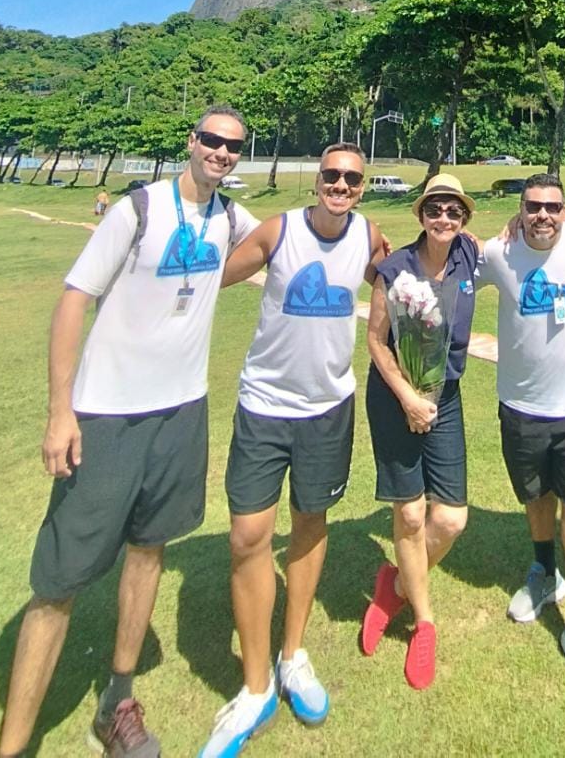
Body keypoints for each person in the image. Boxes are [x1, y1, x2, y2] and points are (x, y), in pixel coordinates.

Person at [0, 107, 256, 758]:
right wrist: (61, 413)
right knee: (59, 582)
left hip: (181, 412)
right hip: (107, 415)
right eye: (213, 141)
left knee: (149, 548)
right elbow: (72, 302)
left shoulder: (228, 218)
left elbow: (282, 241)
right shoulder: (137, 210)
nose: (223, 153)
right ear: (191, 143)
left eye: (234, 146)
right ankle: (12, 745)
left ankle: (118, 699)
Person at [197, 143, 385, 757]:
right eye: (331, 175)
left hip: (328, 410)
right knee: (248, 536)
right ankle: (255, 688)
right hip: (263, 407)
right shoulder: (279, 232)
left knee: (310, 523)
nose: (340, 185)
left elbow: (406, 275)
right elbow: (212, 276)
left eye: (351, 179)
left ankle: (292, 654)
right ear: (317, 180)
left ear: (361, 187)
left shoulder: (367, 236)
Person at [479, 173, 565, 695]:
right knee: (535, 495)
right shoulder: (498, 252)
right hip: (521, 406)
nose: (543, 216)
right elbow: (449, 259)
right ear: (520, 209)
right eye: (533, 207)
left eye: (553, 207)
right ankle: (542, 572)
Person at [360, 173, 479, 691]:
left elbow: (522, 232)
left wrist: (537, 217)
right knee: (410, 513)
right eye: (435, 209)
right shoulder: (395, 267)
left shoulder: (468, 257)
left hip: (445, 398)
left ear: (464, 219)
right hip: (394, 398)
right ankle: (424, 622)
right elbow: (376, 339)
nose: (444, 219)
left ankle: (398, 586)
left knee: (449, 519)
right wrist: (408, 398)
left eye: (453, 211)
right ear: (421, 214)